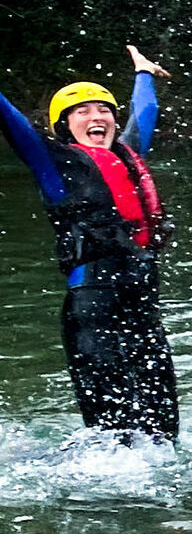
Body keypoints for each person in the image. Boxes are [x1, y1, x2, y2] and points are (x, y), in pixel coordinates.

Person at [0, 44, 177, 441]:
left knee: (163, 431)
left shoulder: (129, 155)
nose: (97, 117)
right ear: (64, 125)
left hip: (143, 303)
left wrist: (144, 74)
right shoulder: (52, 161)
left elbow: (144, 113)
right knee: (113, 437)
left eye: (104, 110)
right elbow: (10, 120)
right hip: (92, 305)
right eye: (82, 111)